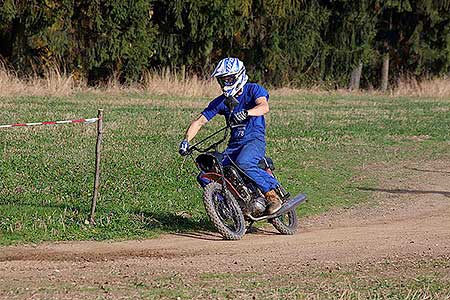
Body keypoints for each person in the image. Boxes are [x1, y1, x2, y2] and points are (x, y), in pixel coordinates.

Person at [178, 57, 282, 214]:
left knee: (244, 163)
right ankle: (234, 205)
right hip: (234, 145)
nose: (226, 83)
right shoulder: (222, 101)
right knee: (206, 176)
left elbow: (264, 106)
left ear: (239, 75)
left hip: (254, 140)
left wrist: (247, 113)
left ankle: (271, 195)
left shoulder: (253, 89)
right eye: (222, 80)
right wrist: (186, 141)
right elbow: (199, 122)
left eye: (229, 79)